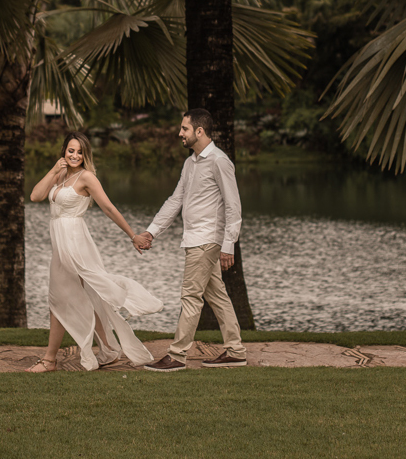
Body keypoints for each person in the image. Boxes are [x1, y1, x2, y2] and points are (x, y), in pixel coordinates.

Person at [27, 132, 162, 372]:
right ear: (64, 151)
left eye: (79, 152)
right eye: (71, 150)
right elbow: (35, 196)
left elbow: (108, 208)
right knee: (89, 295)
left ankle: (49, 360)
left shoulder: (86, 177)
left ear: (85, 154)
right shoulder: (59, 173)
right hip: (60, 244)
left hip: (75, 242)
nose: (75, 155)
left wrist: (132, 235)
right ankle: (109, 350)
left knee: (59, 297)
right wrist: (52, 170)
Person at [133, 109, 246, 371]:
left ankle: (177, 355)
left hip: (206, 240)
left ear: (199, 131)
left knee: (190, 296)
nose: (179, 133)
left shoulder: (219, 161)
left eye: (184, 128)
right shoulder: (190, 163)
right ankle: (236, 350)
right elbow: (176, 200)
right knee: (217, 297)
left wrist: (228, 244)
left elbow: (233, 206)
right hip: (194, 238)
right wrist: (152, 231)